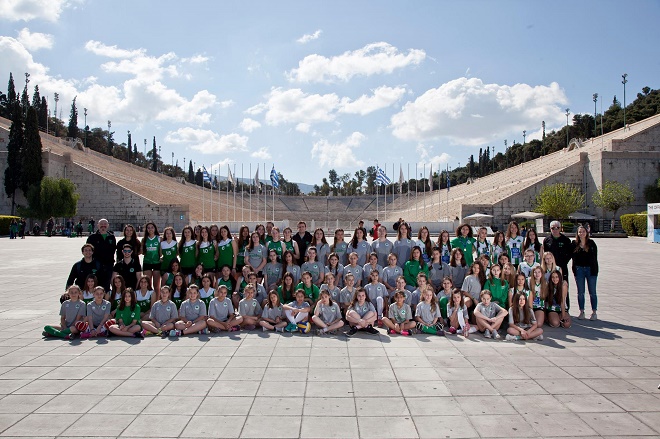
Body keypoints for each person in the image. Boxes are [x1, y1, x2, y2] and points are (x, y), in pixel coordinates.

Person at [572, 225, 599, 321]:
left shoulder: (591, 243)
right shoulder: (574, 243)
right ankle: (582, 311)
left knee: (592, 292)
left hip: (590, 270)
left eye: (583, 231)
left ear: (586, 233)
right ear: (577, 233)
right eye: (580, 232)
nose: (581, 233)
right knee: (580, 292)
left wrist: (595, 271)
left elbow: (595, 258)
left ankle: (594, 312)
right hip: (579, 270)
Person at [86, 219, 116, 291]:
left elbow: (113, 250)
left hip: (108, 265)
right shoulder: (92, 237)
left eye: (105, 224)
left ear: (108, 225)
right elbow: (88, 250)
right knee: (95, 285)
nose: (103, 226)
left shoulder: (111, 237)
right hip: (96, 265)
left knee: (106, 286)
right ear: (98, 226)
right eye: (101, 224)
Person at [543, 220, 573, 288]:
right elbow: (545, 253)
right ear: (550, 229)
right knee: (550, 286)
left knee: (563, 285)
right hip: (550, 266)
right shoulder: (547, 240)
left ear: (560, 228)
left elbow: (570, 253)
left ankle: (564, 299)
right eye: (553, 228)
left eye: (557, 227)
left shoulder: (566, 240)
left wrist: (564, 261)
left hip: (562, 266)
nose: (555, 229)